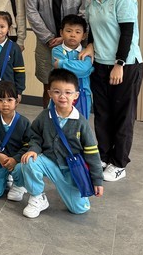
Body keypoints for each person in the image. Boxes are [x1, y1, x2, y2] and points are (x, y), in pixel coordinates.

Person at [80, 0, 143, 183]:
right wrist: (90, 45)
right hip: (100, 65)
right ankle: (104, 156)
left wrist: (119, 64)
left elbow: (127, 34)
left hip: (125, 66)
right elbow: (93, 31)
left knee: (123, 116)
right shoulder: (92, 1)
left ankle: (119, 163)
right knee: (103, 115)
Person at [20, 69, 104, 218]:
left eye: (68, 92)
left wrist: (97, 180)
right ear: (50, 93)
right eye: (57, 92)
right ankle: (37, 197)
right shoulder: (44, 116)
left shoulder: (81, 122)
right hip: (49, 162)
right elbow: (35, 136)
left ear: (76, 95)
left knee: (80, 209)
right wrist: (33, 149)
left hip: (71, 170)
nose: (62, 96)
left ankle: (67, 191)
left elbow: (92, 153)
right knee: (29, 161)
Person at [25, 0, 91, 107]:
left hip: (75, 39)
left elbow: (86, 8)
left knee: (75, 84)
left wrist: (68, 35)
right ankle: (49, 120)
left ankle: (74, 120)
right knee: (49, 84)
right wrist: (49, 38)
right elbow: (31, 11)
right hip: (47, 41)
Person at [0, 81, 31, 201]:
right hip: (1, 161)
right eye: (0, 100)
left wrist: (15, 159)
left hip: (18, 162)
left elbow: (28, 145)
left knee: (25, 167)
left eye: (9, 100)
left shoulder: (24, 123)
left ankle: (18, 182)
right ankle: (6, 179)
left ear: (17, 101)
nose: (5, 104)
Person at [52, 15, 93, 119]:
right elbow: (80, 71)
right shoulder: (57, 50)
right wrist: (83, 70)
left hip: (83, 93)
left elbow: (85, 68)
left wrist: (61, 63)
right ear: (61, 33)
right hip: (61, 94)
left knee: (81, 122)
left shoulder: (86, 52)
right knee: (58, 121)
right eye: (69, 31)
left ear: (84, 35)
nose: (73, 35)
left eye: (78, 32)